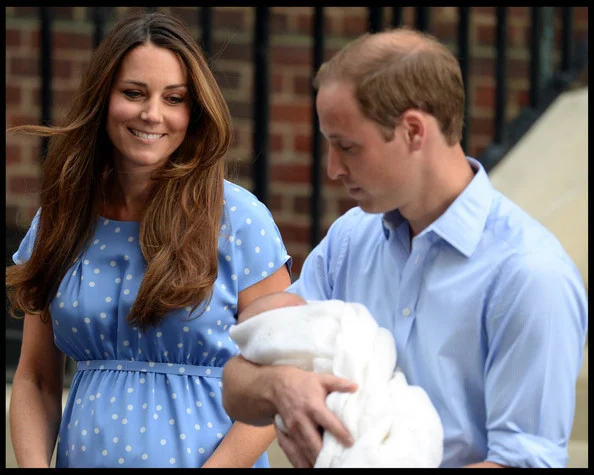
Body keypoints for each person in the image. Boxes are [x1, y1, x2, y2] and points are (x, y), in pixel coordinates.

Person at [221, 27, 589, 468]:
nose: (333, 169)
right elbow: (236, 381)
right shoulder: (350, 240)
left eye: (348, 146)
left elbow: (528, 461)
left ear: (414, 130)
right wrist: (282, 387)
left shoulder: (531, 275)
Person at [6, 10, 292, 468]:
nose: (152, 114)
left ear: (193, 110)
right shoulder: (60, 218)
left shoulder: (239, 219)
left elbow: (282, 375)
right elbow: (36, 380)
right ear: (104, 99)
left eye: (174, 98)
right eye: (134, 93)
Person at [231, 291, 444, 468]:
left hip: (385, 391)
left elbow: (358, 341)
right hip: (358, 407)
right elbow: (235, 383)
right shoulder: (338, 252)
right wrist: (277, 382)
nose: (300, 303)